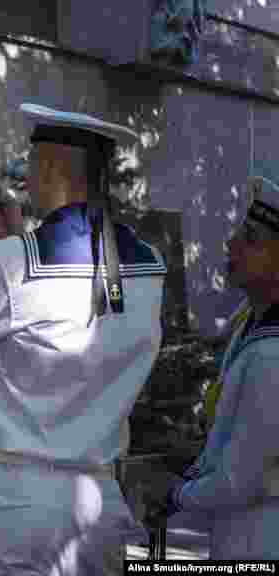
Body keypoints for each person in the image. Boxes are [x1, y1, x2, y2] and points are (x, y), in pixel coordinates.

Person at [0, 103, 168, 575]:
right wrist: (20, 239)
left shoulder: (14, 261)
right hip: (97, 498)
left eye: (30, 166)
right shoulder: (148, 263)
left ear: (51, 169)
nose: (24, 179)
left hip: (15, 502)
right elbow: (73, 308)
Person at [147, 175, 279, 559]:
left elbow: (242, 479)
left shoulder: (271, 352)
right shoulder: (250, 322)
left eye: (251, 239)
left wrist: (173, 493)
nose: (232, 244)